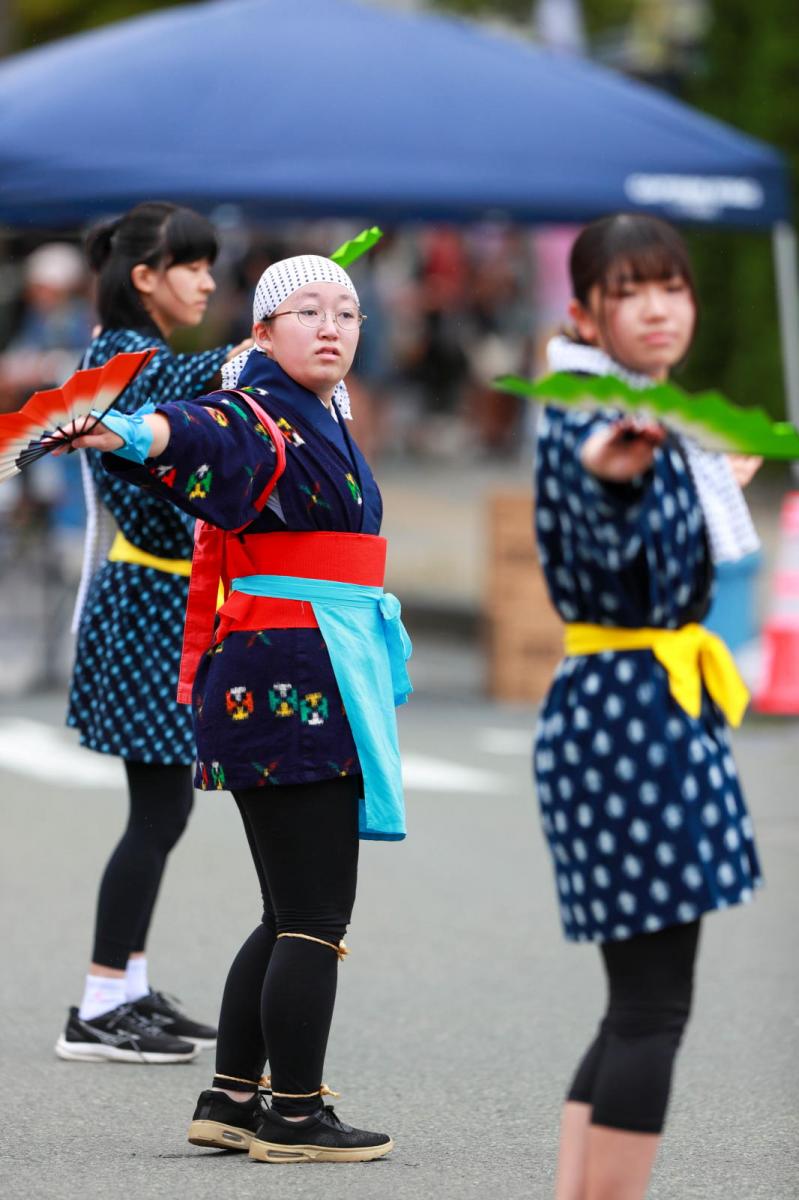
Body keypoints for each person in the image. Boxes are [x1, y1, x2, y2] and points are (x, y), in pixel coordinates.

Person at [59, 253, 411, 1163]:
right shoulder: (253, 412)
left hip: (286, 666)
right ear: (260, 335)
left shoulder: (310, 412)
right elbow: (193, 434)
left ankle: (230, 1098)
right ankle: (294, 1115)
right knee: (314, 916)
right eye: (305, 311)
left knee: (286, 906)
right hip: (292, 673)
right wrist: (130, 435)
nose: (331, 325)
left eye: (347, 311)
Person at [532, 213, 762, 1200]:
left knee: (635, 1004)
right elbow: (596, 480)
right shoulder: (598, 421)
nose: (658, 308)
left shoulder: (636, 409)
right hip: (634, 715)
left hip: (635, 707)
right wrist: (619, 477)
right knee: (651, 1011)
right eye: (629, 292)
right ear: (587, 313)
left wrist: (704, 463)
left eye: (670, 287)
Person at [57, 201, 250, 1065]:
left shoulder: (133, 354)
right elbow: (176, 391)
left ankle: (126, 986)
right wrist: (254, 349)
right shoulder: (123, 360)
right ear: (145, 277)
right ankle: (99, 1003)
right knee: (158, 809)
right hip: (146, 599)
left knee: (161, 807)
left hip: (162, 599)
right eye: (192, 265)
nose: (208, 281)